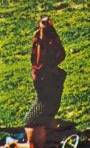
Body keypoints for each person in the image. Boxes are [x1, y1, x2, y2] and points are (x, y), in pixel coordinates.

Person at [23, 17, 65, 148]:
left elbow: (43, 58)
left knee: (34, 119)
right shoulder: (52, 73)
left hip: (40, 120)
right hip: (42, 119)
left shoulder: (43, 72)